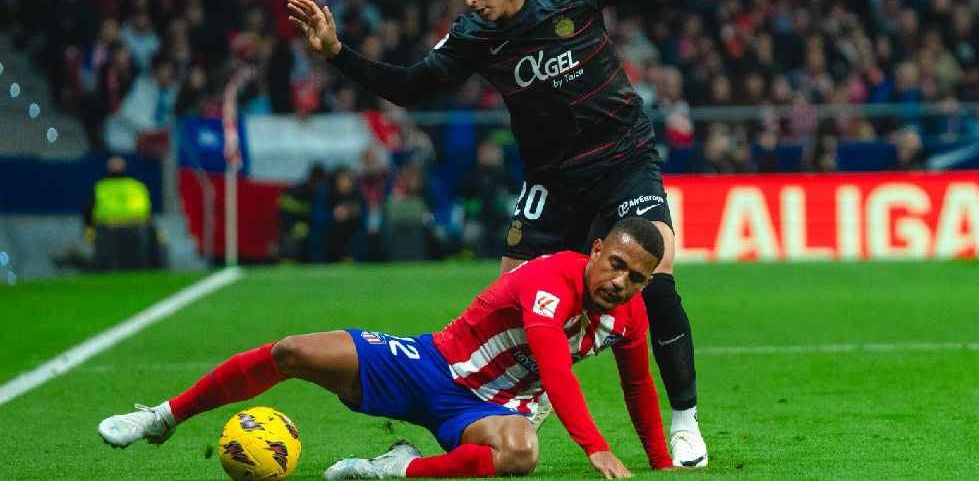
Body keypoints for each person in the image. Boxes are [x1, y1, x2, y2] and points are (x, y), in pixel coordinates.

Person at [287, 0, 707, 465]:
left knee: (658, 275)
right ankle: (477, 421)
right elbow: (412, 88)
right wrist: (338, 53)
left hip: (623, 158)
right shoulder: (473, 34)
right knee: (510, 306)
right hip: (551, 179)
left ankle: (685, 424)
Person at [98, 218, 673, 478]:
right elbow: (554, 365)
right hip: (430, 365)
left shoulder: (630, 316)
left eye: (636, 278)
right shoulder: (552, 279)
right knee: (293, 351)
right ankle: (163, 416)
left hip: (492, 410)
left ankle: (400, 467)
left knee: (521, 454)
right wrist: (595, 447)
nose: (621, 281)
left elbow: (638, 385)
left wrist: (661, 463)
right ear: (596, 250)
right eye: (616, 264)